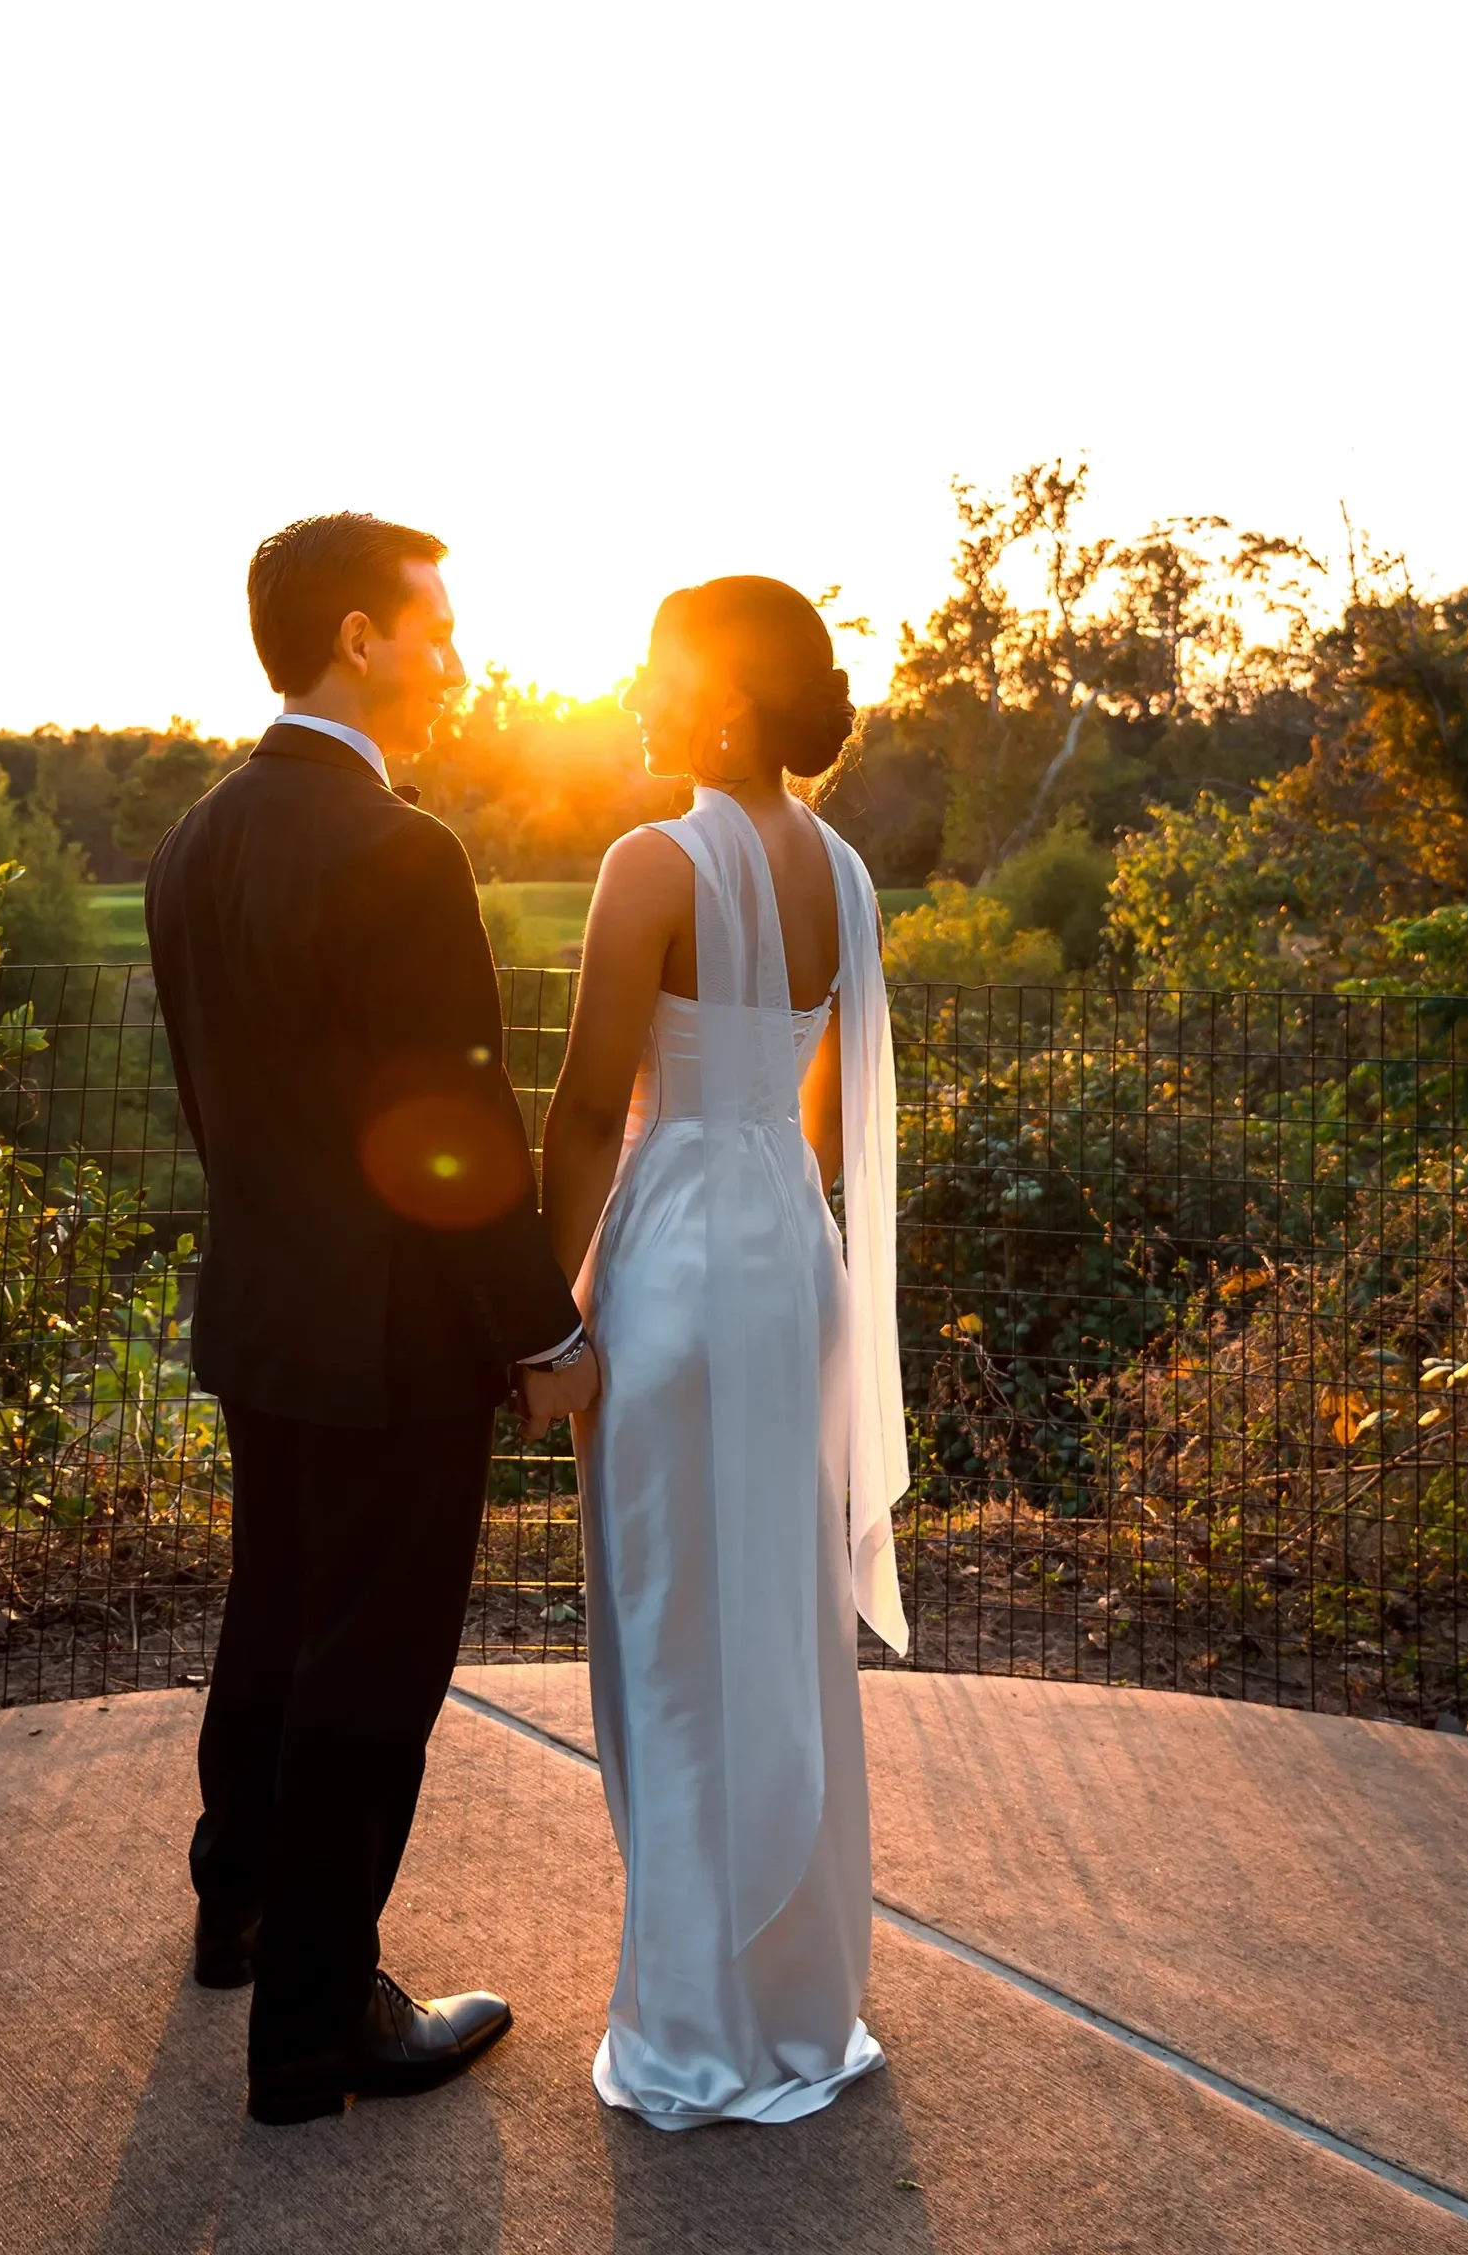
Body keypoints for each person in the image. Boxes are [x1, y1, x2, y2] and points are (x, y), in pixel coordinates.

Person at [145, 512, 600, 2127]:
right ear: (359, 637)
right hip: (396, 1334)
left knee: (273, 1613)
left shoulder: (194, 840)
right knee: (373, 1664)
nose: (459, 658)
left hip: (262, 1314)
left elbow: (217, 1104)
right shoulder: (401, 851)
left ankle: (240, 1906)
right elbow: (454, 1122)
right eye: (436, 625)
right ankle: (320, 2025)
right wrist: (543, 1335)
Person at [540, 575, 910, 2129]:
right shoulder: (844, 870)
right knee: (775, 1628)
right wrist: (782, 1225)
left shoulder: (654, 863)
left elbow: (577, 1113)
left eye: (656, 666)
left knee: (675, 1636)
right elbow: (825, 1117)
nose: (632, 686)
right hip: (793, 1255)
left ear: (728, 703)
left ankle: (691, 2032)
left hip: (681, 1261)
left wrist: (553, 1315)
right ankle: (797, 2005)